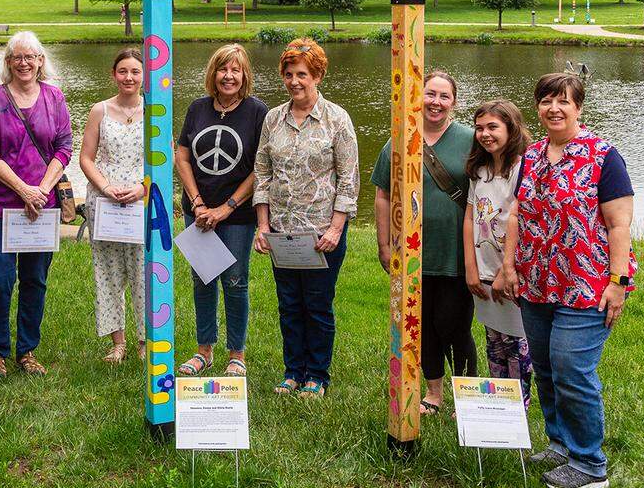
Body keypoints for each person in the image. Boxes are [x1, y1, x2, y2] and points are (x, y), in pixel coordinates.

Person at [501, 72, 637, 488]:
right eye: (546, 101)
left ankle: (590, 464)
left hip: (586, 284)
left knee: (572, 370)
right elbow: (517, 214)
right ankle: (560, 443)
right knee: (545, 368)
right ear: (538, 107)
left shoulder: (603, 156)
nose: (554, 109)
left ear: (578, 106)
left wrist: (618, 281)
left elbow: (619, 224)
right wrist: (508, 266)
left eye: (563, 101)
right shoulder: (534, 154)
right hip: (538, 282)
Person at [252, 39, 358, 397]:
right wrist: (263, 227)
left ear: (318, 75)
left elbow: (349, 179)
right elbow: (262, 174)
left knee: (317, 305)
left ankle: (317, 374)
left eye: (302, 74)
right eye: (288, 74)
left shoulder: (337, 120)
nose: (294, 81)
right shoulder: (273, 119)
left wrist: (335, 229)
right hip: (283, 233)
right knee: (289, 305)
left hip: (321, 235)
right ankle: (292, 370)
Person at [372, 69, 476, 415]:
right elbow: (384, 196)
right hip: (414, 251)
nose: (436, 102)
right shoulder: (400, 139)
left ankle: (468, 393)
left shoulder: (472, 140)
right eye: (430, 94)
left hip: (458, 252)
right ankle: (433, 393)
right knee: (422, 324)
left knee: (456, 324)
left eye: (444, 96)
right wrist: (385, 245)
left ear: (454, 102)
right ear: (419, 98)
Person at [0, 31, 73, 377]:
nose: (25, 63)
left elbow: (64, 147)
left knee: (35, 279)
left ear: (41, 61)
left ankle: (27, 350)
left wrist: (41, 190)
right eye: (18, 57)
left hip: (41, 207)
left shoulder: (55, 97)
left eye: (31, 57)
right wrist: (23, 190)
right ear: (9, 62)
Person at [175, 44, 269, 378]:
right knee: (203, 279)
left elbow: (261, 167)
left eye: (236, 70)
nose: (229, 76)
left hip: (238, 216)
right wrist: (199, 203)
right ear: (213, 74)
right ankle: (204, 351)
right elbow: (182, 156)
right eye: (222, 69)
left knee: (235, 281)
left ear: (245, 76)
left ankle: (236, 354)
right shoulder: (198, 108)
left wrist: (226, 208)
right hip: (198, 211)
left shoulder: (258, 112)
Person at [462, 100, 532, 406]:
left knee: (517, 342)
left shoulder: (523, 168)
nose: (485, 134)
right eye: (479, 128)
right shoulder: (479, 171)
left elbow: (523, 221)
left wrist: (508, 270)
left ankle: (518, 404)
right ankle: (496, 405)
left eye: (493, 127)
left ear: (511, 128)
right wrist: (471, 268)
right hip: (484, 270)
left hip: (512, 272)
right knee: (494, 340)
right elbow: (469, 218)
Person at [78, 48, 146, 363]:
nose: (129, 77)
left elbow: (165, 160)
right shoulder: (99, 111)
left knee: (143, 271)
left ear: (144, 75)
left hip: (140, 201)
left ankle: (147, 341)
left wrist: (141, 188)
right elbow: (86, 158)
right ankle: (117, 341)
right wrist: (104, 187)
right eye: (123, 71)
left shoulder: (156, 111)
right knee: (108, 271)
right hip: (104, 202)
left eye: (135, 71)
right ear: (113, 74)